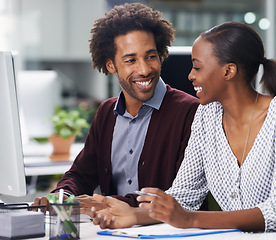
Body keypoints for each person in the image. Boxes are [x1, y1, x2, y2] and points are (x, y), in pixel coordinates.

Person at [90, 22, 276, 232]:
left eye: (197, 67)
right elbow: (185, 195)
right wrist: (135, 215)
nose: (190, 75)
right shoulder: (206, 115)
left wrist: (190, 219)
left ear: (229, 70)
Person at [32, 3, 199, 214]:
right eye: (131, 60)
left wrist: (103, 203)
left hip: (162, 231)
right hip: (113, 230)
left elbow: (180, 193)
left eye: (151, 56)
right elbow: (81, 174)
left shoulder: (190, 112)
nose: (144, 69)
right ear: (111, 65)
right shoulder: (106, 112)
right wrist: (63, 194)